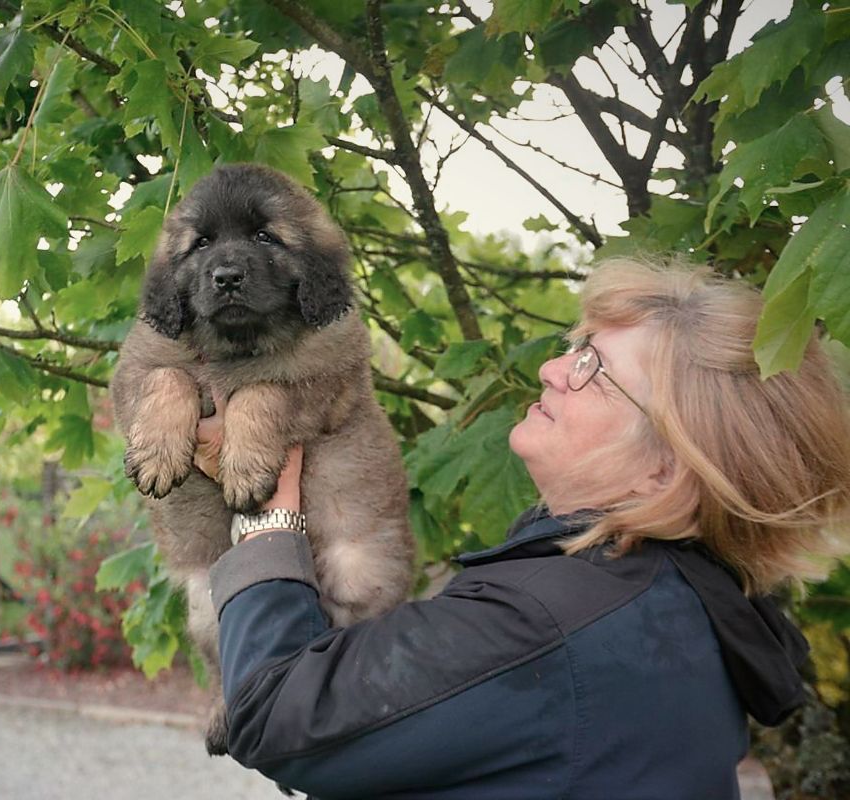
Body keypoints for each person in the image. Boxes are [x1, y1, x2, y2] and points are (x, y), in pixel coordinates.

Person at [192, 258, 850, 799]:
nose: (553, 370)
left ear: (667, 468)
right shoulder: (677, 597)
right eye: (578, 349)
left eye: (595, 370)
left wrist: (267, 513)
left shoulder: (544, 623)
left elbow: (276, 713)